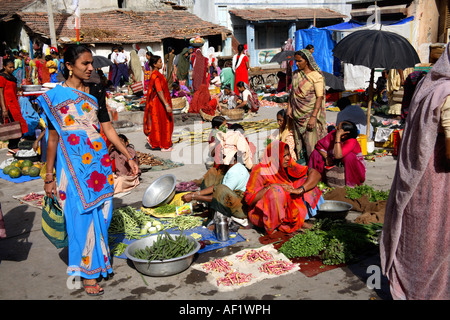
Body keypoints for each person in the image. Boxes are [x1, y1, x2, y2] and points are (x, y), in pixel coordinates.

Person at [36, 44, 139, 296]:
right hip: (70, 168)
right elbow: (51, 139)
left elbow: (109, 130)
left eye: (91, 63)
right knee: (79, 218)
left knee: (103, 215)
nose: (91, 68)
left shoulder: (96, 90)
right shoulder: (55, 98)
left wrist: (128, 156)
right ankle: (86, 273)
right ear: (69, 66)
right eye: (85, 64)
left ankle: (99, 262)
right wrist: (48, 176)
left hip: (98, 166)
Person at [380, 44, 450, 300]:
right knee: (435, 238)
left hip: (416, 174)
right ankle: (425, 290)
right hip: (438, 177)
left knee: (415, 231)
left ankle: (405, 283)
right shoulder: (448, 92)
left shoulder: (428, 85)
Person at [244, 141, 323, 235]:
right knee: (276, 191)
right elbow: (249, 200)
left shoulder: (289, 165)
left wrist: (299, 190)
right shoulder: (260, 170)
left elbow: (315, 174)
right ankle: (273, 228)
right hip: (262, 215)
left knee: (306, 181)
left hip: (286, 209)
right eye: (283, 156)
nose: (287, 158)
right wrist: (269, 187)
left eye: (288, 155)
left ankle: (300, 220)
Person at [182, 148, 250, 221]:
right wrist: (195, 193)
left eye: (223, 157)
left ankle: (214, 215)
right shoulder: (228, 168)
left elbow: (220, 195)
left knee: (220, 189)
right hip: (228, 199)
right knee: (212, 173)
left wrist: (194, 197)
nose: (221, 159)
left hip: (238, 208)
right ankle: (209, 210)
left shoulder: (235, 172)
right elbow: (215, 187)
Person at [287, 49, 327, 165]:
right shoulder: (296, 75)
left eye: (299, 61)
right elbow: (292, 93)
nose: (297, 64)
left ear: (307, 61)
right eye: (296, 61)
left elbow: (319, 97)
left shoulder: (316, 76)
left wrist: (313, 117)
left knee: (312, 145)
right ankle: (303, 168)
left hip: (309, 115)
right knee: (300, 144)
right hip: (297, 115)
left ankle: (315, 169)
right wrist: (289, 107)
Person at [308, 120, 366, 187]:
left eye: (338, 128)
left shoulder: (351, 141)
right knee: (316, 153)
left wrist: (338, 137)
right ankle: (317, 179)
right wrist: (326, 157)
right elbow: (319, 146)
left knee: (349, 157)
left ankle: (351, 183)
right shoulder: (333, 133)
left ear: (344, 135)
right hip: (333, 159)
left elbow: (338, 155)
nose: (335, 128)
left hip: (350, 166)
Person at [143, 54, 174, 152]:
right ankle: (163, 145)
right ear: (155, 64)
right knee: (163, 123)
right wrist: (166, 104)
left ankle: (157, 140)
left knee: (161, 123)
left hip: (160, 101)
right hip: (159, 103)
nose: (162, 63)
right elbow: (159, 91)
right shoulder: (155, 75)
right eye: (160, 62)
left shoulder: (157, 74)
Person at [0, 58, 28, 154]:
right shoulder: (2, 77)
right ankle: (12, 146)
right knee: (15, 125)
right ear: (4, 67)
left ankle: (13, 146)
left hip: (14, 103)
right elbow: (1, 93)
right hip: (8, 105)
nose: (12, 69)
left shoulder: (11, 77)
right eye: (10, 67)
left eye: (13, 67)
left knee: (19, 124)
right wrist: (4, 108)